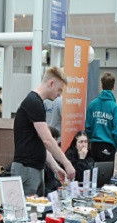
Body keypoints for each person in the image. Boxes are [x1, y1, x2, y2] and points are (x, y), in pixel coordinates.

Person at [11, 67, 76, 197]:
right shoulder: (34, 102)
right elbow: (48, 140)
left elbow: (40, 143)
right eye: (59, 90)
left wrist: (55, 167)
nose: (60, 94)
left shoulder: (37, 103)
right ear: (51, 83)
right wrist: (67, 163)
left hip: (33, 170)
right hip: (27, 170)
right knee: (27, 214)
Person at [85, 72, 117, 162]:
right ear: (114, 87)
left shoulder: (92, 105)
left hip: (94, 146)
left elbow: (88, 127)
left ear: (101, 85)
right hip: (109, 146)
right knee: (106, 174)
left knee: (93, 173)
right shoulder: (115, 108)